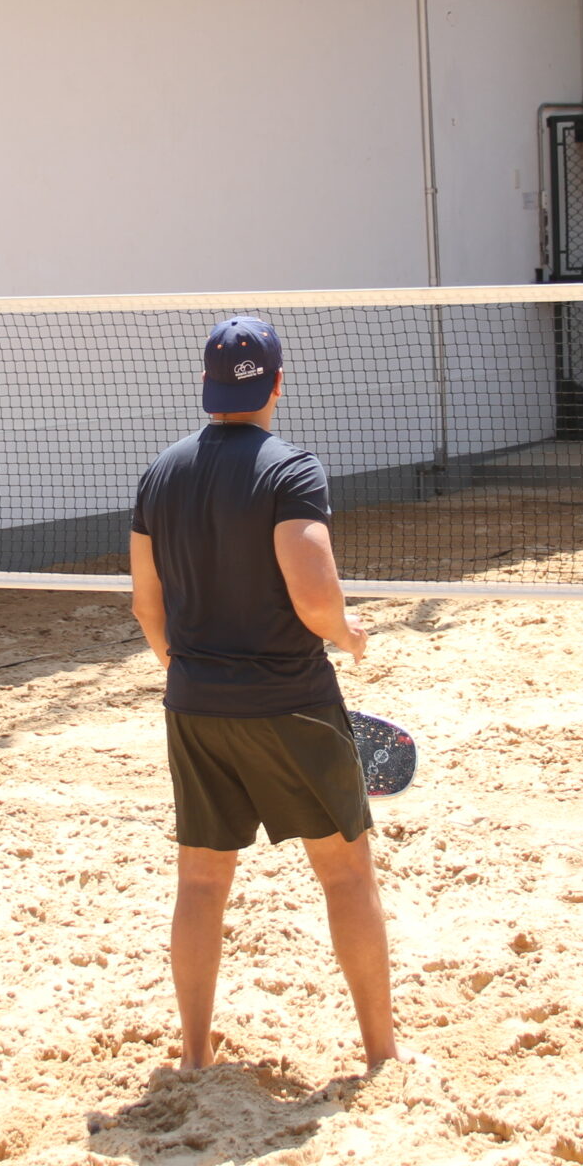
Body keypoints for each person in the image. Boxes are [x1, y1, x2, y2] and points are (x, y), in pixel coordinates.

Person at [128, 316, 402, 1073]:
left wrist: (183, 664)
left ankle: (192, 1056)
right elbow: (314, 599)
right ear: (277, 383)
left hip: (194, 704)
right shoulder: (290, 471)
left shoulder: (160, 473)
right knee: (345, 872)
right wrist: (347, 632)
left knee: (200, 880)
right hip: (289, 702)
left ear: (206, 387)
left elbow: (147, 608)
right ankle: (382, 1054)